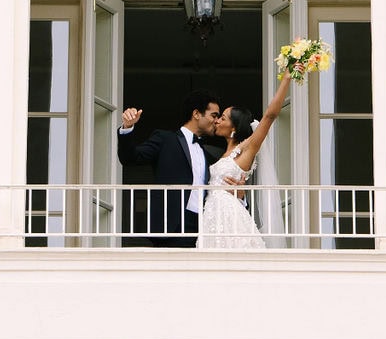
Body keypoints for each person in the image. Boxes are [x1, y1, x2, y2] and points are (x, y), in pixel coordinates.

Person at [197, 72, 292, 249]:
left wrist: (287, 77)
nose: (217, 121)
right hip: (212, 215)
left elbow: (269, 116)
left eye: (222, 118)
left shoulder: (246, 149)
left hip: (230, 216)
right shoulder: (221, 154)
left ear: (234, 126)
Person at [117, 92, 220, 247]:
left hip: (203, 226)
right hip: (173, 223)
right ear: (197, 114)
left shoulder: (208, 155)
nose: (217, 121)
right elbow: (130, 158)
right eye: (214, 115)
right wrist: (127, 127)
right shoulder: (165, 139)